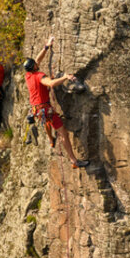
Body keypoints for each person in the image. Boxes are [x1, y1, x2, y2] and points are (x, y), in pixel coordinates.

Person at [24, 36, 89, 168]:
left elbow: (37, 60)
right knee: (63, 133)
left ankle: (50, 139)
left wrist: (46, 47)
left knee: (46, 122)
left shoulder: (29, 75)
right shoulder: (39, 76)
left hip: (36, 109)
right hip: (45, 108)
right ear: (35, 67)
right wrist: (65, 77)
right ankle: (74, 161)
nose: (38, 63)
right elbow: (52, 84)